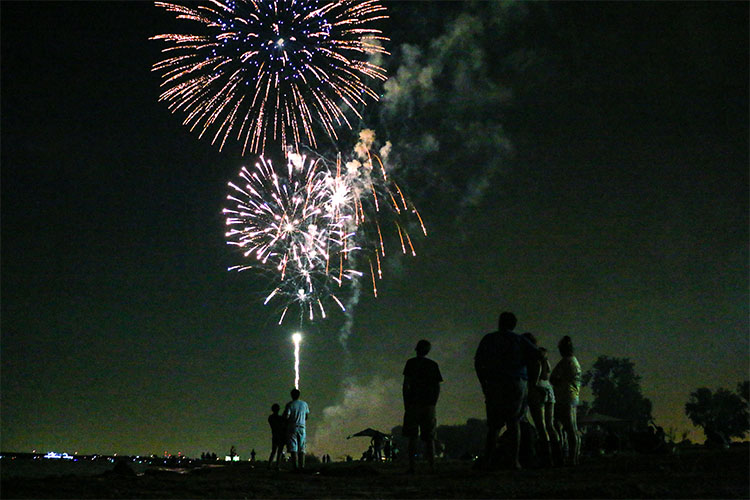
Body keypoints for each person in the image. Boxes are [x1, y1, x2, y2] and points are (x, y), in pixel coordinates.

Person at [475, 312, 540, 470]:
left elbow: (478, 362)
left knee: (494, 425)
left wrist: (483, 382)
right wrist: (532, 382)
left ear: (499, 323)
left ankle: (488, 461)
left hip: (495, 382)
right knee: (514, 423)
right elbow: (537, 356)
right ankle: (513, 461)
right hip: (516, 382)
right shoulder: (519, 340)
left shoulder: (489, 339)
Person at [402, 339, 443, 473]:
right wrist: (434, 402)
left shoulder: (411, 363)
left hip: (413, 403)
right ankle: (432, 466)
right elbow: (437, 386)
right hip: (428, 404)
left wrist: (406, 402)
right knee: (429, 437)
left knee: (412, 436)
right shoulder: (433, 365)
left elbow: (406, 384)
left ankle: (412, 466)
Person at [522, 332, 561, 467]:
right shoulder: (544, 356)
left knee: (541, 426)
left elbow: (534, 376)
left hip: (537, 391)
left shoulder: (533, 358)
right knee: (550, 426)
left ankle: (547, 458)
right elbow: (548, 371)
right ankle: (558, 456)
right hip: (548, 389)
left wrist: (532, 387)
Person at [550, 335, 581, 465]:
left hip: (564, 397)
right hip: (573, 396)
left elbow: (552, 377)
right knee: (572, 428)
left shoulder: (565, 362)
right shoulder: (575, 362)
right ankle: (574, 456)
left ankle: (569, 457)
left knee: (567, 427)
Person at [283, 388, 310, 471]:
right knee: (302, 447)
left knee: (293, 448)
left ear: (291, 395)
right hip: (302, 427)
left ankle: (295, 466)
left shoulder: (290, 404)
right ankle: (302, 466)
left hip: (292, 427)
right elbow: (306, 416)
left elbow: (286, 416)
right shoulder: (304, 404)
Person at [267, 403, 286, 469]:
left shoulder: (270, 418)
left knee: (273, 451)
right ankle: (277, 465)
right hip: (280, 436)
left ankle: (269, 464)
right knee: (279, 451)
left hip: (275, 435)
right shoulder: (280, 418)